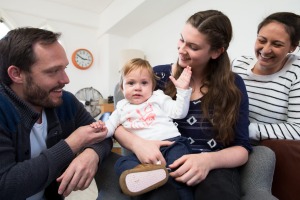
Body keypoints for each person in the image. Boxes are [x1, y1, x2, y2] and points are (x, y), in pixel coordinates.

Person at [113, 10, 252, 200]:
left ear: (216, 51)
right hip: (162, 161)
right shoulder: (156, 77)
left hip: (213, 167)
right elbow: (116, 121)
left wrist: (208, 161)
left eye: (193, 46)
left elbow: (242, 148)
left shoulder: (233, 85)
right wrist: (138, 144)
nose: (181, 49)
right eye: (181, 40)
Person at [0, 27, 113, 200]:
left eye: (64, 68)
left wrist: (92, 154)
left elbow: (103, 135)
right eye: (53, 71)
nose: (66, 80)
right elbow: (6, 185)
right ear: (17, 74)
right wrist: (74, 143)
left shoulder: (65, 102)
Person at [91, 58, 193, 199]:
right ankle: (146, 177)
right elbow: (110, 128)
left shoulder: (157, 97)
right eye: (131, 83)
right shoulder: (121, 107)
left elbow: (178, 112)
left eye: (144, 83)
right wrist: (99, 128)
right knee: (121, 163)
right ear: (122, 88)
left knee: (179, 171)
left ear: (152, 86)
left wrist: (182, 91)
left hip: (172, 144)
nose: (138, 88)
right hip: (142, 156)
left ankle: (170, 183)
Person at [232, 12, 300, 200]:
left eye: (277, 44)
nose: (265, 49)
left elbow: (298, 129)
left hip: (257, 149)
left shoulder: (296, 72)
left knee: (256, 192)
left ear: (293, 47)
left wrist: (246, 130)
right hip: (224, 144)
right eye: (262, 40)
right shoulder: (237, 65)